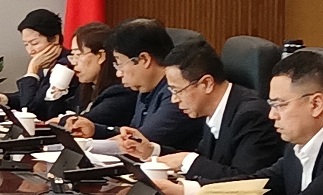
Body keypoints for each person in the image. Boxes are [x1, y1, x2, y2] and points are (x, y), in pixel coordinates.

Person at [153, 50, 323, 195]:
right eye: (271, 105)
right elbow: (261, 184)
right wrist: (188, 192)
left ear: (315, 104)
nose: (272, 115)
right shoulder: (295, 149)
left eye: (280, 105)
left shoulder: (258, 118)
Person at [119, 39, 282, 179]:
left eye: (177, 90)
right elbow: (206, 161)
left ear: (206, 83)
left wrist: (186, 160)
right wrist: (152, 151)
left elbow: (245, 181)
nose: (174, 99)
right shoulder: (214, 108)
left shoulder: (252, 116)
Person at [65, 18, 204, 152]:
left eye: (120, 63)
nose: (118, 73)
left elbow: (139, 142)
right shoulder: (146, 88)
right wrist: (95, 129)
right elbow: (133, 133)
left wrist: (90, 144)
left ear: (144, 59)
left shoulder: (176, 93)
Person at [0, 8, 78, 121]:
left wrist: (32, 69)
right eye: (26, 45)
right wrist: (1, 98)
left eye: (34, 43)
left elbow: (30, 108)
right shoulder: (44, 62)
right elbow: (32, 96)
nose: (30, 50)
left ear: (55, 39)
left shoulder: (66, 65)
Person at [54, 22, 136, 132]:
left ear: (100, 56)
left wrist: (61, 120)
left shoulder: (120, 92)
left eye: (78, 54)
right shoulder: (86, 87)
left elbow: (81, 122)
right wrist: (57, 88)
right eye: (72, 55)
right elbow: (55, 114)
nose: (73, 62)